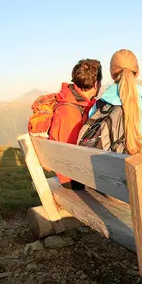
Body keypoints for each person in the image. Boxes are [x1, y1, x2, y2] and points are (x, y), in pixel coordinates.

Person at [88, 49, 142, 162]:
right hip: (137, 176)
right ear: (137, 72)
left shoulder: (98, 106)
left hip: (104, 175)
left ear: (112, 74)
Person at [49, 59, 102, 189]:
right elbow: (71, 156)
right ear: (96, 84)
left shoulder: (76, 104)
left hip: (75, 174)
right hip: (74, 180)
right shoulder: (69, 113)